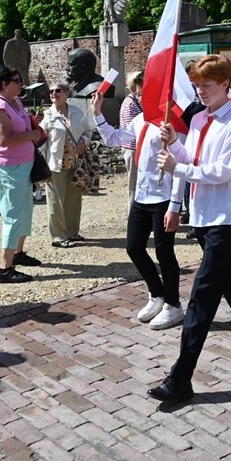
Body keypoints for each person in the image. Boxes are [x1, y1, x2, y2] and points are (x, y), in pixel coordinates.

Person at [148, 55, 231, 403]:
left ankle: (181, 377)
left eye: (207, 84)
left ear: (225, 85)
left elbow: (221, 172)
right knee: (229, 283)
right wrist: (175, 144)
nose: (200, 90)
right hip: (202, 218)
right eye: (197, 84)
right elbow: (193, 158)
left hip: (224, 220)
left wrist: (178, 168)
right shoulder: (200, 119)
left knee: (202, 297)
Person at [92, 89, 185, 330]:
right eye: (141, 92)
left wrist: (175, 205)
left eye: (147, 91)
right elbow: (114, 139)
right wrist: (98, 113)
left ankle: (174, 305)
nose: (142, 95)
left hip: (163, 197)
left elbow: (180, 165)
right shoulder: (140, 119)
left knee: (165, 252)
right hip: (142, 195)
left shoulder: (170, 122)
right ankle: (158, 294)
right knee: (133, 247)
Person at [0, 65, 45, 283]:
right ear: (4, 84)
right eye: (17, 80)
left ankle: (18, 254)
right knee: (13, 216)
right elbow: (4, 140)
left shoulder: (16, 102)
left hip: (25, 165)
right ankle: (5, 268)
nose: (21, 83)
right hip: (10, 168)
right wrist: (31, 134)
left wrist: (33, 125)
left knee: (25, 212)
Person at [41, 82, 88, 247]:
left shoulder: (77, 112)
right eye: (51, 91)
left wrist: (83, 141)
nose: (54, 93)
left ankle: (72, 232)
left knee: (74, 200)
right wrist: (42, 167)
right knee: (55, 201)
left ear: (67, 93)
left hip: (75, 162)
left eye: (58, 91)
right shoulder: (48, 115)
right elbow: (42, 142)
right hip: (55, 163)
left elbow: (87, 131)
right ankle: (58, 237)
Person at [119, 71, 144, 206]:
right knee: (133, 185)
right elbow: (131, 130)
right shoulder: (130, 103)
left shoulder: (136, 101)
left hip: (139, 148)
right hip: (133, 148)